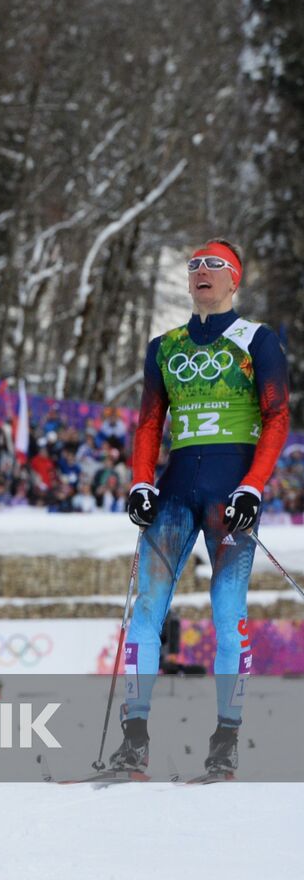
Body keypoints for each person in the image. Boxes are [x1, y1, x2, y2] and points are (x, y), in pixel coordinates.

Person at [109, 240, 289, 779]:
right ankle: (133, 738)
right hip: (176, 490)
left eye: (214, 265)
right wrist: (141, 482)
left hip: (231, 496)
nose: (202, 272)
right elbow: (147, 423)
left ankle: (225, 739)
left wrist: (254, 486)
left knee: (226, 612)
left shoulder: (257, 339)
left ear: (235, 281)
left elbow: (277, 417)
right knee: (146, 609)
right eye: (194, 265)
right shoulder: (164, 345)